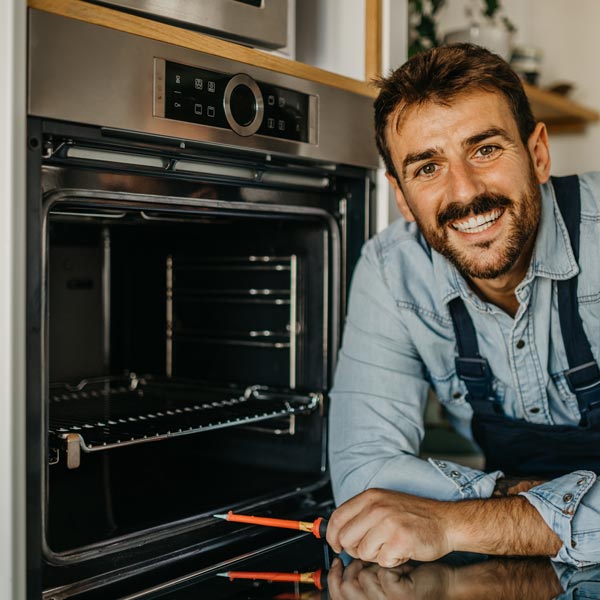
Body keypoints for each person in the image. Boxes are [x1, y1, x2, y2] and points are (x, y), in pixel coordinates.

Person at [325, 43, 600, 568]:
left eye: (486, 150)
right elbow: (362, 474)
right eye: (427, 168)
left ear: (538, 153)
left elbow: (429, 514)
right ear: (402, 196)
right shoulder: (390, 273)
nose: (465, 192)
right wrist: (522, 504)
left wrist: (455, 521)